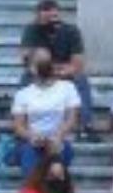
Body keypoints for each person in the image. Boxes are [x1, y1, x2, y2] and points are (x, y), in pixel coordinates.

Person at [19, 0, 94, 134]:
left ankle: (85, 125)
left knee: (80, 79)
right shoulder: (31, 30)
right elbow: (27, 60)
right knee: (26, 78)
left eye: (54, 16)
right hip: (40, 71)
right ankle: (22, 123)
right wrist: (44, 69)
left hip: (63, 72)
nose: (52, 21)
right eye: (47, 17)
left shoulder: (71, 31)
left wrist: (57, 72)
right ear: (38, 17)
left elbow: (78, 63)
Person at [10, 47, 81, 179]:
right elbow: (18, 126)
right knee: (30, 158)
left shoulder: (67, 88)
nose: (43, 67)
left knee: (57, 158)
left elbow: (72, 119)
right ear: (31, 68)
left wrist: (59, 135)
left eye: (46, 62)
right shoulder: (23, 94)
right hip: (33, 142)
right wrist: (32, 136)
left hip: (59, 141)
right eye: (39, 63)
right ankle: (35, 192)